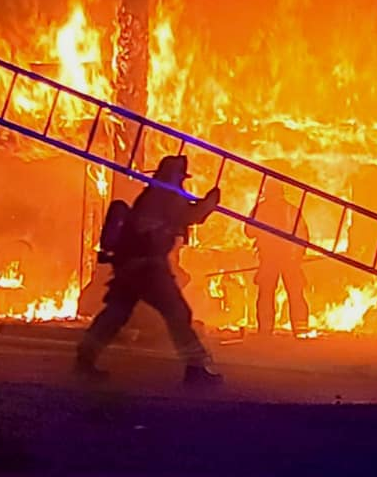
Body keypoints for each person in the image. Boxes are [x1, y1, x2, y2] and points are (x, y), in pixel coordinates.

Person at [76, 155, 223, 385]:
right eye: (180, 177)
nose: (182, 182)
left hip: (130, 265)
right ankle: (195, 369)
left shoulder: (151, 195)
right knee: (178, 313)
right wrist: (210, 203)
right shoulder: (167, 196)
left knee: (116, 313)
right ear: (174, 176)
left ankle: (84, 359)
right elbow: (190, 216)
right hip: (149, 268)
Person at [245, 181, 310, 335]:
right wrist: (299, 255)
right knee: (294, 293)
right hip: (288, 258)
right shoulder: (291, 210)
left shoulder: (260, 209)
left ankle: (266, 330)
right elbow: (303, 235)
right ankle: (299, 330)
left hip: (273, 257)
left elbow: (249, 232)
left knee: (267, 294)